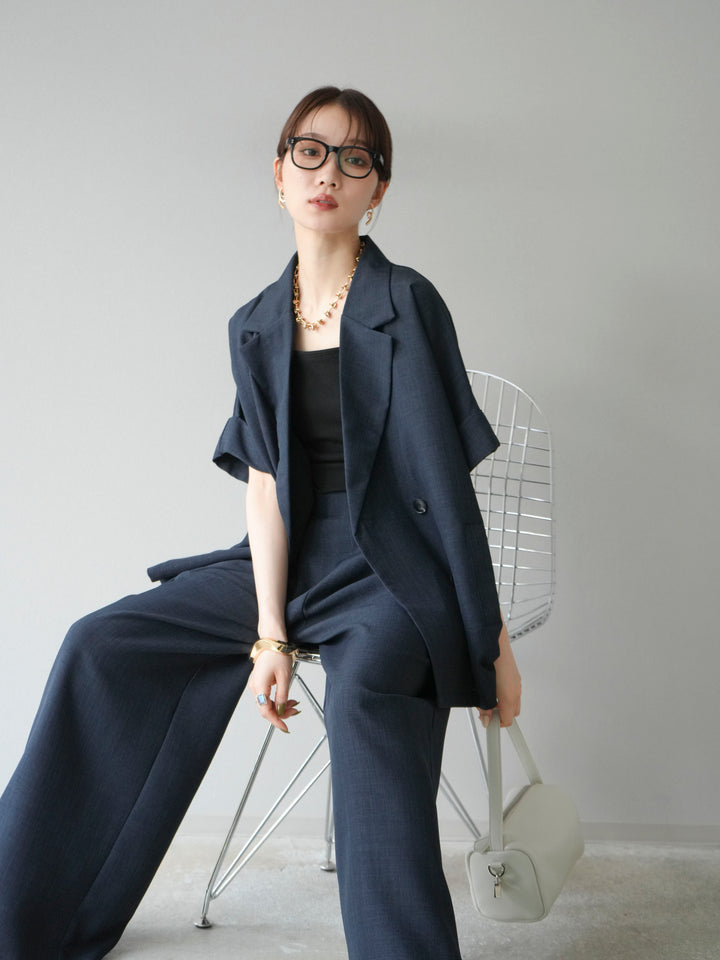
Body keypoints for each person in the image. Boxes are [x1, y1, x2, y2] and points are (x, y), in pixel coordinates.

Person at [0, 86, 521, 960]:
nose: (329, 173)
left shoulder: (408, 301)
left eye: (355, 158)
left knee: (365, 693)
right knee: (101, 644)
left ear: (378, 188)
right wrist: (270, 633)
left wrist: (490, 637)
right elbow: (267, 487)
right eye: (310, 152)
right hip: (284, 558)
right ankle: (27, 924)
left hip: (391, 569)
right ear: (279, 174)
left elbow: (443, 482)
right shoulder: (252, 326)